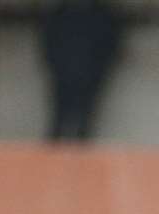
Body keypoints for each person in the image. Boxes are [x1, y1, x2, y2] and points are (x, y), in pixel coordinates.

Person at [41, 0, 122, 141]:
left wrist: (97, 70)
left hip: (89, 76)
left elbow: (110, 47)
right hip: (64, 75)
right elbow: (48, 44)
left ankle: (80, 153)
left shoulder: (102, 16)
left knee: (84, 119)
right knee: (60, 117)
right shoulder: (60, 14)